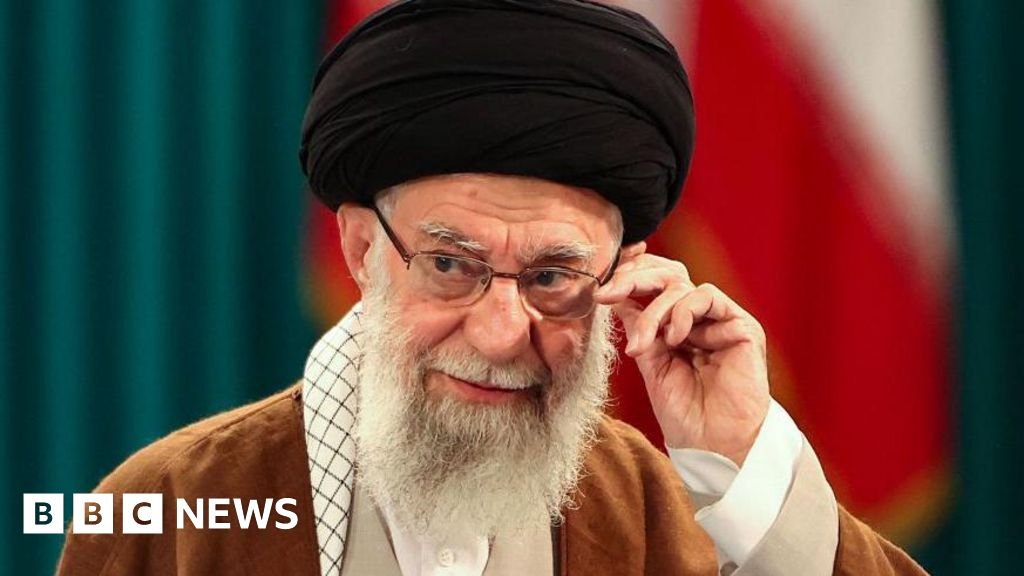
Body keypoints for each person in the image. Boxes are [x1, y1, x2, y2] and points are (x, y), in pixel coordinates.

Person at [58, 0, 927, 574]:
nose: (504, 331)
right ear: (360, 246)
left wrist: (741, 456)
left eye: (551, 277)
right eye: (450, 264)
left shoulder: (674, 519)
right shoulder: (160, 513)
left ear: (625, 273)